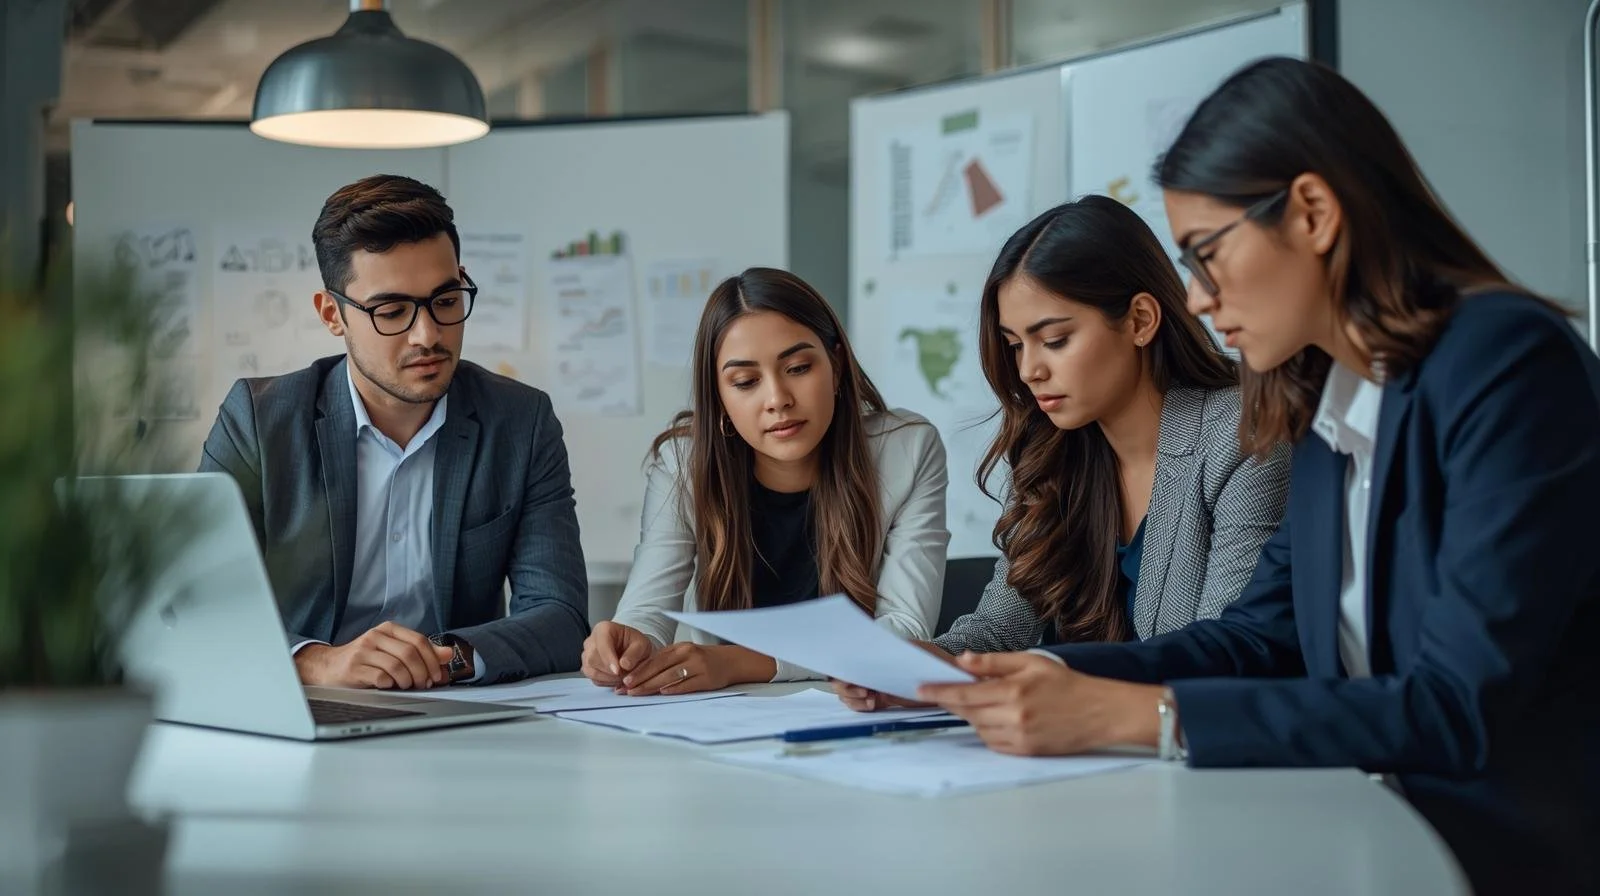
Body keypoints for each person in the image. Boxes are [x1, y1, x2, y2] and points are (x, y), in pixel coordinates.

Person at [915, 57, 1600, 895]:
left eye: (1208, 254)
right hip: (1348, 828)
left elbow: (1456, 706)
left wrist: (1146, 715)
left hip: (1493, 853)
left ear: (1312, 212)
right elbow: (1257, 637)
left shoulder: (1504, 362)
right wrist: (1057, 673)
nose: (1197, 298)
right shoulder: (1331, 399)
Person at [835, 196, 1289, 711]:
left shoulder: (1242, 436)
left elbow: (1224, 654)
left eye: (1053, 339)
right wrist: (917, 670)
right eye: (1015, 344)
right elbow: (1000, 628)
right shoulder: (1053, 451)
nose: (1029, 370)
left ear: (1141, 320)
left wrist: (1037, 672)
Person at [200, 174, 589, 690]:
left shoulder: (520, 421)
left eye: (445, 301)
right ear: (332, 314)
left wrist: (443, 657)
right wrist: (317, 664)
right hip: (304, 707)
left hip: (453, 713)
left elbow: (560, 616)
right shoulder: (258, 420)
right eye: (392, 311)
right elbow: (199, 607)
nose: (428, 335)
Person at [580, 267, 949, 694]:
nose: (777, 400)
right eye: (745, 381)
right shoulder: (684, 462)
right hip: (725, 719)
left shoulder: (907, 450)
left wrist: (741, 663)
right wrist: (628, 641)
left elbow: (904, 628)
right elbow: (647, 610)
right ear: (719, 398)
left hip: (850, 709)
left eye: (797, 367)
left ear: (837, 367)